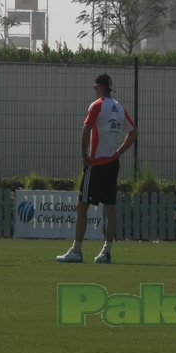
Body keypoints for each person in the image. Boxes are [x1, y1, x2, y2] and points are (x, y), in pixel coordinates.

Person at [58, 73, 137, 264]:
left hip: (96, 164)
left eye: (95, 88)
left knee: (82, 206)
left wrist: (84, 155)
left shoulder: (97, 105)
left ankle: (76, 251)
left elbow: (86, 130)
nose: (95, 91)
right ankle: (106, 252)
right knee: (110, 209)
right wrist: (118, 152)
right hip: (112, 163)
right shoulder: (119, 108)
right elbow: (133, 132)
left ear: (100, 87)